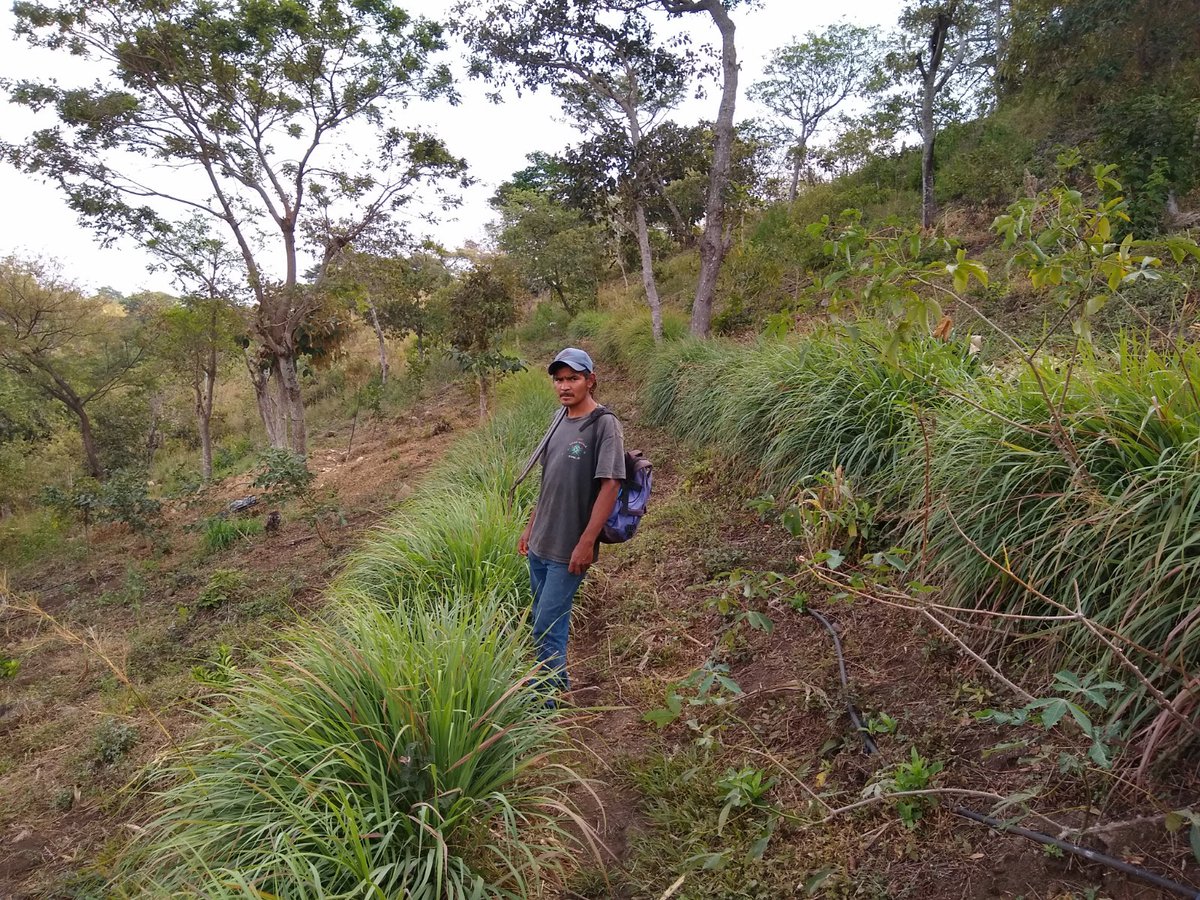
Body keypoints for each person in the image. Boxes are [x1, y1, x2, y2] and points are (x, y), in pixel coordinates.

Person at [518, 347, 625, 694]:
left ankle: (545, 705)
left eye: (573, 378)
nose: (565, 386)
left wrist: (586, 542)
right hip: (540, 542)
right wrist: (531, 526)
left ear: (590, 381)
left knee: (546, 627)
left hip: (569, 549)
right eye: (559, 380)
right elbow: (549, 480)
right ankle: (556, 687)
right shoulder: (558, 419)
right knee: (546, 620)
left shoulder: (604, 425)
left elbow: (610, 484)